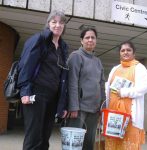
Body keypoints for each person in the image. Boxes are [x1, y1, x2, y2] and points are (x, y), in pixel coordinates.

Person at [17, 10, 68, 150]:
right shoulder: (39, 39)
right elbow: (26, 65)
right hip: (36, 93)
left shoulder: (63, 47)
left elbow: (62, 76)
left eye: (61, 22)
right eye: (54, 22)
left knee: (45, 138)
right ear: (48, 24)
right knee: (34, 137)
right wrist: (25, 91)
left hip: (52, 96)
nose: (58, 25)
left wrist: (62, 104)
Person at [105, 41, 147, 150]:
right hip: (113, 115)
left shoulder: (139, 68)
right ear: (120, 53)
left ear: (134, 53)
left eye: (128, 50)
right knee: (114, 143)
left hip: (131, 117)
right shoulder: (115, 69)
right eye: (123, 50)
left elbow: (145, 87)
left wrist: (125, 92)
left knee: (128, 144)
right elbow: (108, 89)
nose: (125, 52)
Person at [67, 27, 106, 150]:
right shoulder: (75, 56)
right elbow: (72, 82)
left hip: (94, 109)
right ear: (81, 41)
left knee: (89, 143)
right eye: (87, 37)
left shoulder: (98, 61)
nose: (90, 40)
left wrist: (102, 106)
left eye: (93, 37)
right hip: (79, 108)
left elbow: (101, 84)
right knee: (74, 144)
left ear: (96, 41)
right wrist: (73, 107)